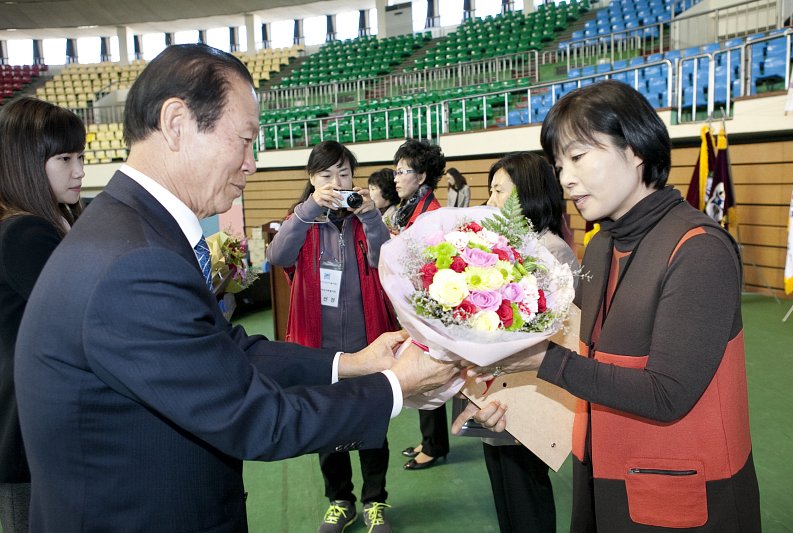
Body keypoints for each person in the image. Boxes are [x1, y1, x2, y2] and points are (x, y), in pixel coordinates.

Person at [14, 44, 459, 533]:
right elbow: (255, 419)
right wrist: (397, 386)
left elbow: (226, 351)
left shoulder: (132, 229)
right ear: (177, 122)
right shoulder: (135, 261)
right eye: (244, 140)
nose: (251, 164)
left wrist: (356, 363)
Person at [455, 79, 761, 531]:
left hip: (681, 494)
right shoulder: (602, 245)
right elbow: (588, 363)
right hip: (602, 477)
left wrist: (541, 360)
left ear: (636, 150)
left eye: (578, 157)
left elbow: (667, 393)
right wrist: (514, 406)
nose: (565, 178)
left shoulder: (700, 249)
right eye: (559, 165)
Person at [266, 141, 397, 533]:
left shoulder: (364, 218)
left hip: (367, 342)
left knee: (373, 421)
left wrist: (372, 217)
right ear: (312, 180)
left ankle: (376, 501)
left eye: (343, 173)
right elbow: (277, 256)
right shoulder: (302, 219)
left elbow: (385, 261)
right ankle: (341, 500)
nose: (337, 182)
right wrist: (308, 210)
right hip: (318, 349)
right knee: (328, 425)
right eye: (326, 175)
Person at [482, 151, 579, 533]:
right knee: (504, 488)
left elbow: (557, 330)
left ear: (528, 195)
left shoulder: (551, 250)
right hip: (498, 388)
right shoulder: (504, 248)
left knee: (525, 493)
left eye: (498, 191)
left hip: (530, 392)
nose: (490, 201)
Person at [0, 98, 85, 533]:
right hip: (23, 434)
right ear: (26, 163)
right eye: (64, 158)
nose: (80, 171)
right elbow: (81, 318)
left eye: (81, 157)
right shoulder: (23, 232)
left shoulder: (55, 221)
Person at [390, 139, 451, 471]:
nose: (396, 178)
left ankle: (435, 445)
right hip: (418, 306)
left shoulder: (432, 214)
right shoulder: (411, 208)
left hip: (430, 308)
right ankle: (430, 440)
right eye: (395, 171)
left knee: (429, 376)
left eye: (403, 171)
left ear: (422, 175)